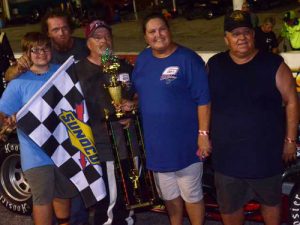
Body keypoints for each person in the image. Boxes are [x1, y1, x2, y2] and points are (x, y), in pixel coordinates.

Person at [207, 10, 299, 225]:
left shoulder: (274, 64)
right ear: (226, 38)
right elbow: (204, 103)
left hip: (265, 156)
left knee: (271, 204)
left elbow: (292, 101)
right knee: (230, 207)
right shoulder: (214, 65)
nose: (241, 38)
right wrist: (203, 134)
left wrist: (290, 140)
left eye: (246, 32)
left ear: (253, 35)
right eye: (235, 33)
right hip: (227, 157)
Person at [3, 9, 90, 225]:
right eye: (35, 50)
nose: (41, 53)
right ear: (27, 54)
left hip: (64, 148)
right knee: (42, 199)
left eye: (44, 49)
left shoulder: (63, 71)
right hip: (36, 153)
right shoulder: (19, 82)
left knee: (64, 195)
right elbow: (3, 113)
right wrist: (7, 122)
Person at [131, 13, 211, 225]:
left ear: (169, 30)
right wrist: (131, 105)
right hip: (157, 145)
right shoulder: (142, 60)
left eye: (162, 29)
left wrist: (203, 135)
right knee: (169, 197)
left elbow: (204, 99)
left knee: (191, 195)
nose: (158, 35)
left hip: (186, 143)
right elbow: (142, 93)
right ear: (145, 37)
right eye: (152, 31)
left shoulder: (188, 59)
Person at [73, 19, 136, 225]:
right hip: (101, 147)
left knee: (129, 198)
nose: (104, 41)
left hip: (128, 143)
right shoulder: (76, 72)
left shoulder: (123, 65)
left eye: (107, 36)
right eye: (97, 37)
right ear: (88, 43)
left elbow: (138, 95)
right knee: (108, 201)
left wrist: (133, 105)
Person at [5, 9, 89, 81]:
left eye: (65, 28)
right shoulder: (41, 52)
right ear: (48, 33)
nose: (61, 33)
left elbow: (103, 57)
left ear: (70, 28)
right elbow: (8, 77)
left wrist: (102, 66)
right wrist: (19, 68)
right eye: (55, 30)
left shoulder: (87, 45)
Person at [0, 31, 15, 96]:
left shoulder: (1, 35)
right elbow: (7, 49)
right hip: (3, 63)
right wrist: (12, 59)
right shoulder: (1, 35)